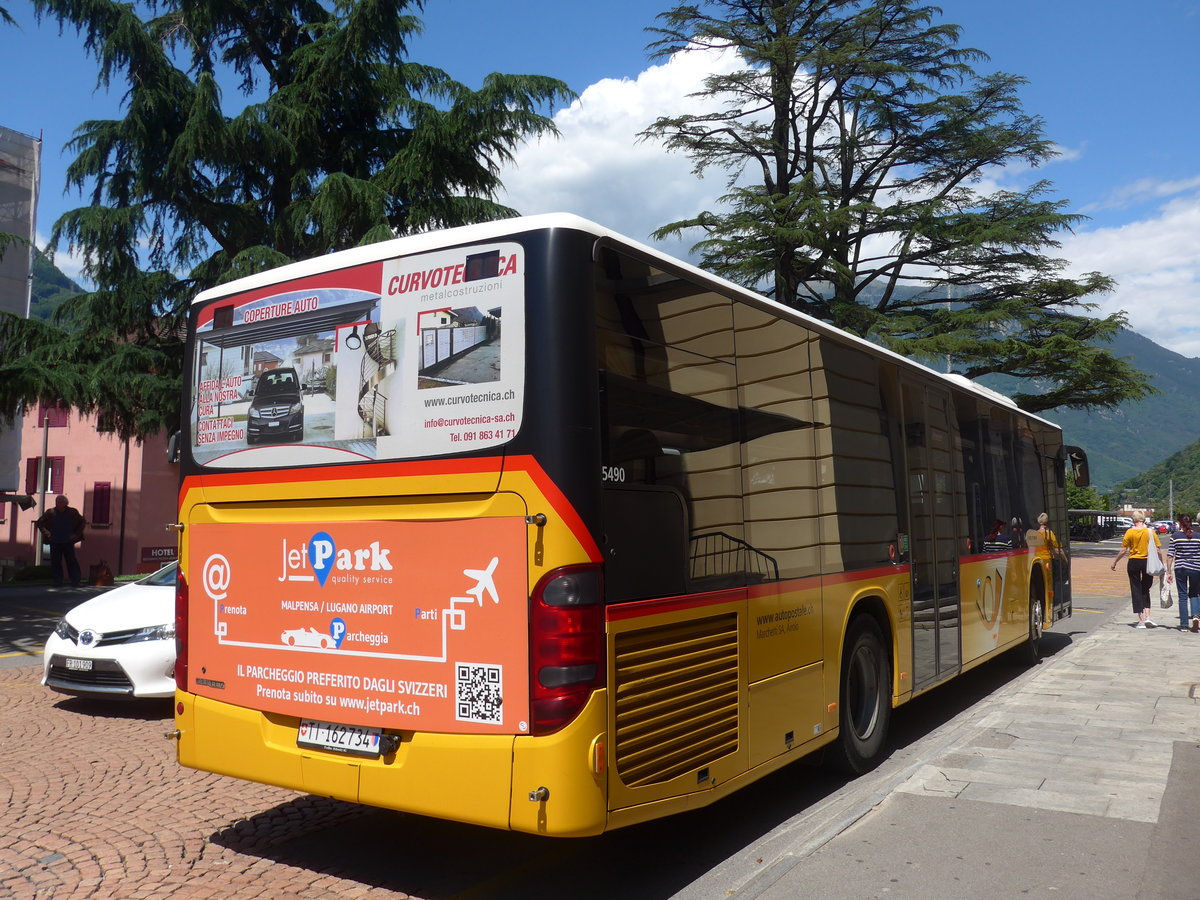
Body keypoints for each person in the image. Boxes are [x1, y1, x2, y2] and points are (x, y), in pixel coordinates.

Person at [1110, 511, 1167, 627]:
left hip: (1134, 561)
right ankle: (1148, 616)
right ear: (1144, 519)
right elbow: (1157, 550)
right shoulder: (1150, 532)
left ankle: (1140, 619)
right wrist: (1162, 563)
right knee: (1146, 588)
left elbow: (1123, 550)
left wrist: (1115, 562)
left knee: (1135, 589)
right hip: (1148, 561)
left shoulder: (1129, 532)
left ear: (1133, 520)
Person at [35, 495, 86, 588]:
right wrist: (47, 534)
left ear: (65, 503)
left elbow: (82, 521)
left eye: (59, 502)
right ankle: (57, 581)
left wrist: (76, 534)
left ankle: (75, 581)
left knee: (71, 561)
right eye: (56, 501)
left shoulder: (72, 512)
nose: (57, 503)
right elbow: (39, 522)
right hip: (55, 541)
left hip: (68, 541)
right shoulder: (50, 512)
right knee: (55, 562)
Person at [1169, 514, 1200, 631]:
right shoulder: (1198, 536)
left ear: (1180, 523)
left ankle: (1184, 625)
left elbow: (1170, 555)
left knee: (1182, 596)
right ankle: (1196, 616)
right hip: (1196, 568)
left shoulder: (1175, 536)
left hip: (1180, 568)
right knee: (1194, 593)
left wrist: (1168, 572)